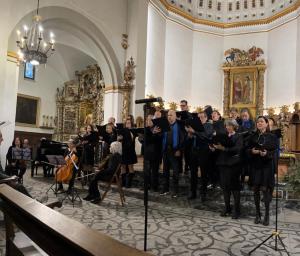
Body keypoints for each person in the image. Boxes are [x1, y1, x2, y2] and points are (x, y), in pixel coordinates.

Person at [247, 116, 277, 226]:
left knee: (265, 191)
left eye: (261, 121)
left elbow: (274, 151)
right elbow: (247, 149)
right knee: (255, 190)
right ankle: (258, 214)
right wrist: (252, 151)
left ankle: (267, 215)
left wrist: (266, 154)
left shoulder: (272, 136)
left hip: (266, 167)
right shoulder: (253, 136)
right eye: (258, 122)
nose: (259, 123)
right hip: (255, 166)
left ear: (266, 124)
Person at [210, 119, 243, 219]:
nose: (227, 127)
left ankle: (236, 210)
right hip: (223, 163)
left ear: (234, 126)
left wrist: (224, 149)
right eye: (226, 125)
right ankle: (227, 208)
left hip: (233, 165)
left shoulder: (238, 136)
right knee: (225, 187)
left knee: (234, 188)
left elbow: (238, 149)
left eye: (229, 125)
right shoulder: (223, 136)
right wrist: (214, 148)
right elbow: (219, 149)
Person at [186, 111, 213, 201]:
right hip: (194, 151)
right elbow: (190, 139)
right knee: (193, 173)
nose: (200, 119)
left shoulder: (208, 125)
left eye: (201, 117)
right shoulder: (195, 126)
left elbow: (205, 136)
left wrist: (194, 132)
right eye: (198, 117)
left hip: (203, 152)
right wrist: (189, 135)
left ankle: (203, 194)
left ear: (206, 118)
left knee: (204, 173)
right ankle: (193, 192)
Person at [161, 110, 185, 197]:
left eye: (171, 115)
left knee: (175, 172)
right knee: (165, 171)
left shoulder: (179, 126)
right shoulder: (165, 126)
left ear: (175, 116)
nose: (169, 117)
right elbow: (162, 137)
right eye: (168, 115)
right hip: (165, 151)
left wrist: (179, 150)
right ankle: (165, 189)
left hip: (175, 151)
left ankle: (175, 191)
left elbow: (182, 139)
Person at [120, 118, 137, 188]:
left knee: (130, 167)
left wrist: (129, 132)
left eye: (129, 123)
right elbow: (120, 140)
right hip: (124, 150)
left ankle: (128, 183)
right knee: (123, 166)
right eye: (126, 123)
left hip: (130, 151)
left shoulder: (133, 131)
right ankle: (123, 183)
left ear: (131, 124)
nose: (128, 124)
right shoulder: (123, 131)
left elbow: (132, 139)